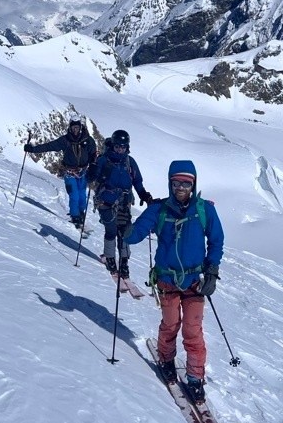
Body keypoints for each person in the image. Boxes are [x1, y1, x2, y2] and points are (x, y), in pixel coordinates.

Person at [125, 160, 223, 402]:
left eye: (186, 183)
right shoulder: (159, 210)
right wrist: (123, 227)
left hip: (194, 281)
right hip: (167, 279)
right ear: (170, 183)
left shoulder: (204, 210)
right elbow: (136, 234)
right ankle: (166, 359)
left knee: (193, 330)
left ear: (193, 184)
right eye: (176, 182)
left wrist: (211, 271)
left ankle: (194, 378)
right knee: (170, 325)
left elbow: (217, 240)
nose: (181, 187)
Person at [90, 129, 152, 278]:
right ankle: (111, 259)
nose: (120, 149)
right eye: (117, 146)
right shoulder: (104, 160)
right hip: (106, 201)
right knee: (111, 230)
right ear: (113, 145)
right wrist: (91, 171)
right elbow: (92, 178)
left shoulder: (129, 162)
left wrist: (143, 194)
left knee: (125, 233)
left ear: (127, 147)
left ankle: (124, 263)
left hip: (124, 203)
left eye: (123, 147)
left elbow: (137, 181)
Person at [24, 118, 96, 227]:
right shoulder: (65, 140)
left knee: (82, 195)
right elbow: (49, 146)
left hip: (84, 172)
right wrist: (33, 149)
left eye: (77, 127)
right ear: (70, 128)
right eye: (73, 127)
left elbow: (93, 154)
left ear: (81, 128)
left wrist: (93, 167)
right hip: (69, 172)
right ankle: (75, 216)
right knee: (74, 195)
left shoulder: (88, 140)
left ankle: (81, 213)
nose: (75, 130)